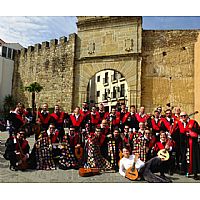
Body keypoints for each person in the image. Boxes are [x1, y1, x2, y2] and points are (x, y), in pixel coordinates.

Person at [172, 111, 200, 180]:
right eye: (181, 116)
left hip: (192, 143)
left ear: (187, 116)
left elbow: (198, 130)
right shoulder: (179, 123)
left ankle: (195, 173)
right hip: (183, 143)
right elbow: (174, 133)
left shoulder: (193, 122)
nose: (183, 117)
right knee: (184, 157)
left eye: (184, 116)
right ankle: (185, 171)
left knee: (193, 158)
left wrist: (190, 133)